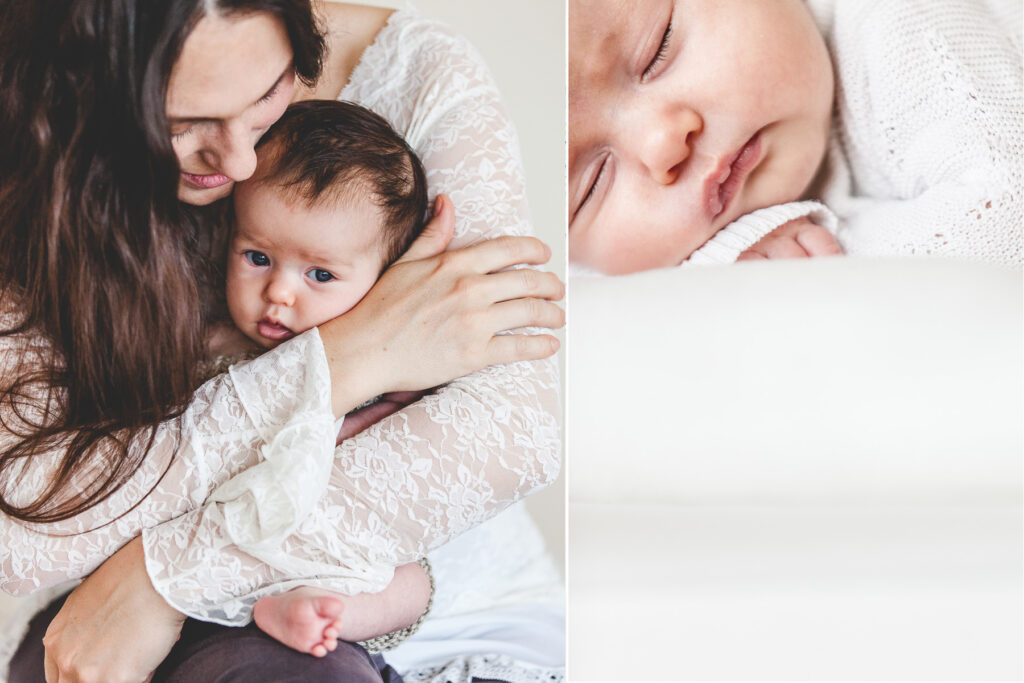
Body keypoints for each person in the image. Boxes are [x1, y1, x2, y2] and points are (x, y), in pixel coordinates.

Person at [0, 2, 565, 682]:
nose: (241, 162)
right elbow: (21, 527)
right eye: (182, 125)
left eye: (270, 91)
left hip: (447, 611)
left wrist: (165, 573)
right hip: (120, 625)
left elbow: (513, 429)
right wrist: (345, 357)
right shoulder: (29, 163)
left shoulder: (417, 74)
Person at [568, 0, 1022, 274]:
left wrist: (819, 263)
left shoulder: (896, 23)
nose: (663, 143)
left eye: (659, 49)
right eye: (591, 186)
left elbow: (1006, 215)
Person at [211, 98, 433, 657]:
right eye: (257, 257)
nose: (280, 294)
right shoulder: (214, 342)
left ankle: (308, 608)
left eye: (320, 274)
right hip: (231, 536)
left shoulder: (386, 358)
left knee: (412, 583)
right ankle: (267, 600)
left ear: (384, 279)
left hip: (337, 536)